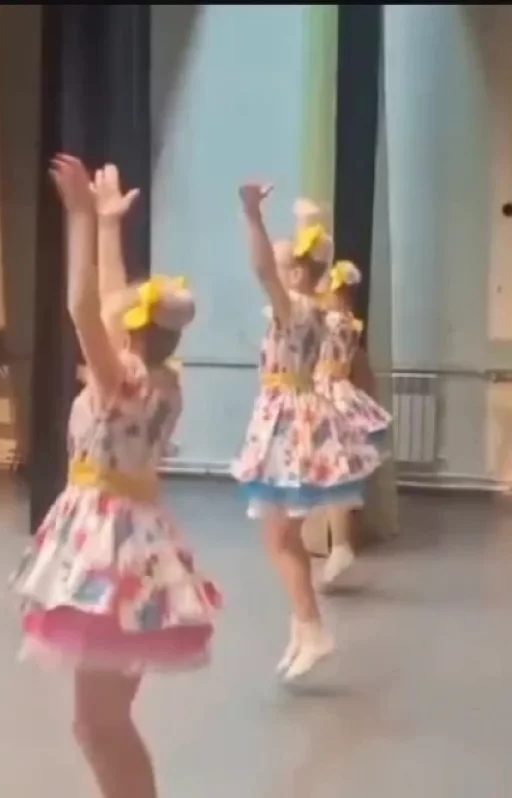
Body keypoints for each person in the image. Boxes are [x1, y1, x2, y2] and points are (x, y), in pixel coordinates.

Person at [11, 155, 220, 798]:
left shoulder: (123, 383)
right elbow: (105, 305)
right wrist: (107, 226)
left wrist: (79, 218)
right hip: (132, 538)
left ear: (132, 335)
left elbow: (84, 307)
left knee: (99, 725)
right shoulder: (157, 380)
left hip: (112, 548)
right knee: (99, 724)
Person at [230, 191, 382, 681]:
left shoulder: (294, 307)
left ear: (295, 275)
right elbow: (286, 265)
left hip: (286, 419)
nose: (272, 275)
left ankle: (312, 626)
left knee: (278, 535)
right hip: (290, 413)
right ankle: (302, 623)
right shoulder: (314, 308)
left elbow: (262, 269)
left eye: (282, 267)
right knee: (281, 533)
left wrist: (252, 217)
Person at [313, 259, 391, 587]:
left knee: (333, 471)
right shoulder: (349, 322)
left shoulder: (329, 320)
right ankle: (339, 543)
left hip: (327, 395)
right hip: (341, 393)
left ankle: (340, 545)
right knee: (336, 471)